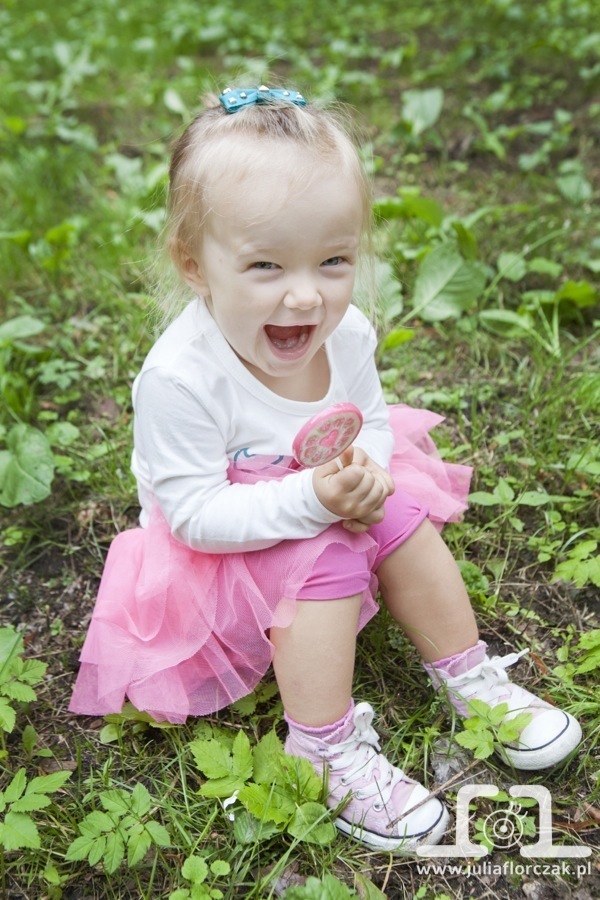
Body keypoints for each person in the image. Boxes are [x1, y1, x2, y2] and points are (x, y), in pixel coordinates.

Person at [69, 85, 582, 852]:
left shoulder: (346, 336)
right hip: (216, 554)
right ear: (194, 264)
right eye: (266, 265)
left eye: (334, 261)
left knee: (401, 514)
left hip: (316, 492)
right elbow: (194, 517)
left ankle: (472, 679)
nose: (306, 295)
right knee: (328, 551)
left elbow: (370, 422)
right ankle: (324, 749)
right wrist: (314, 501)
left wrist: (368, 472)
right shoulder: (180, 378)